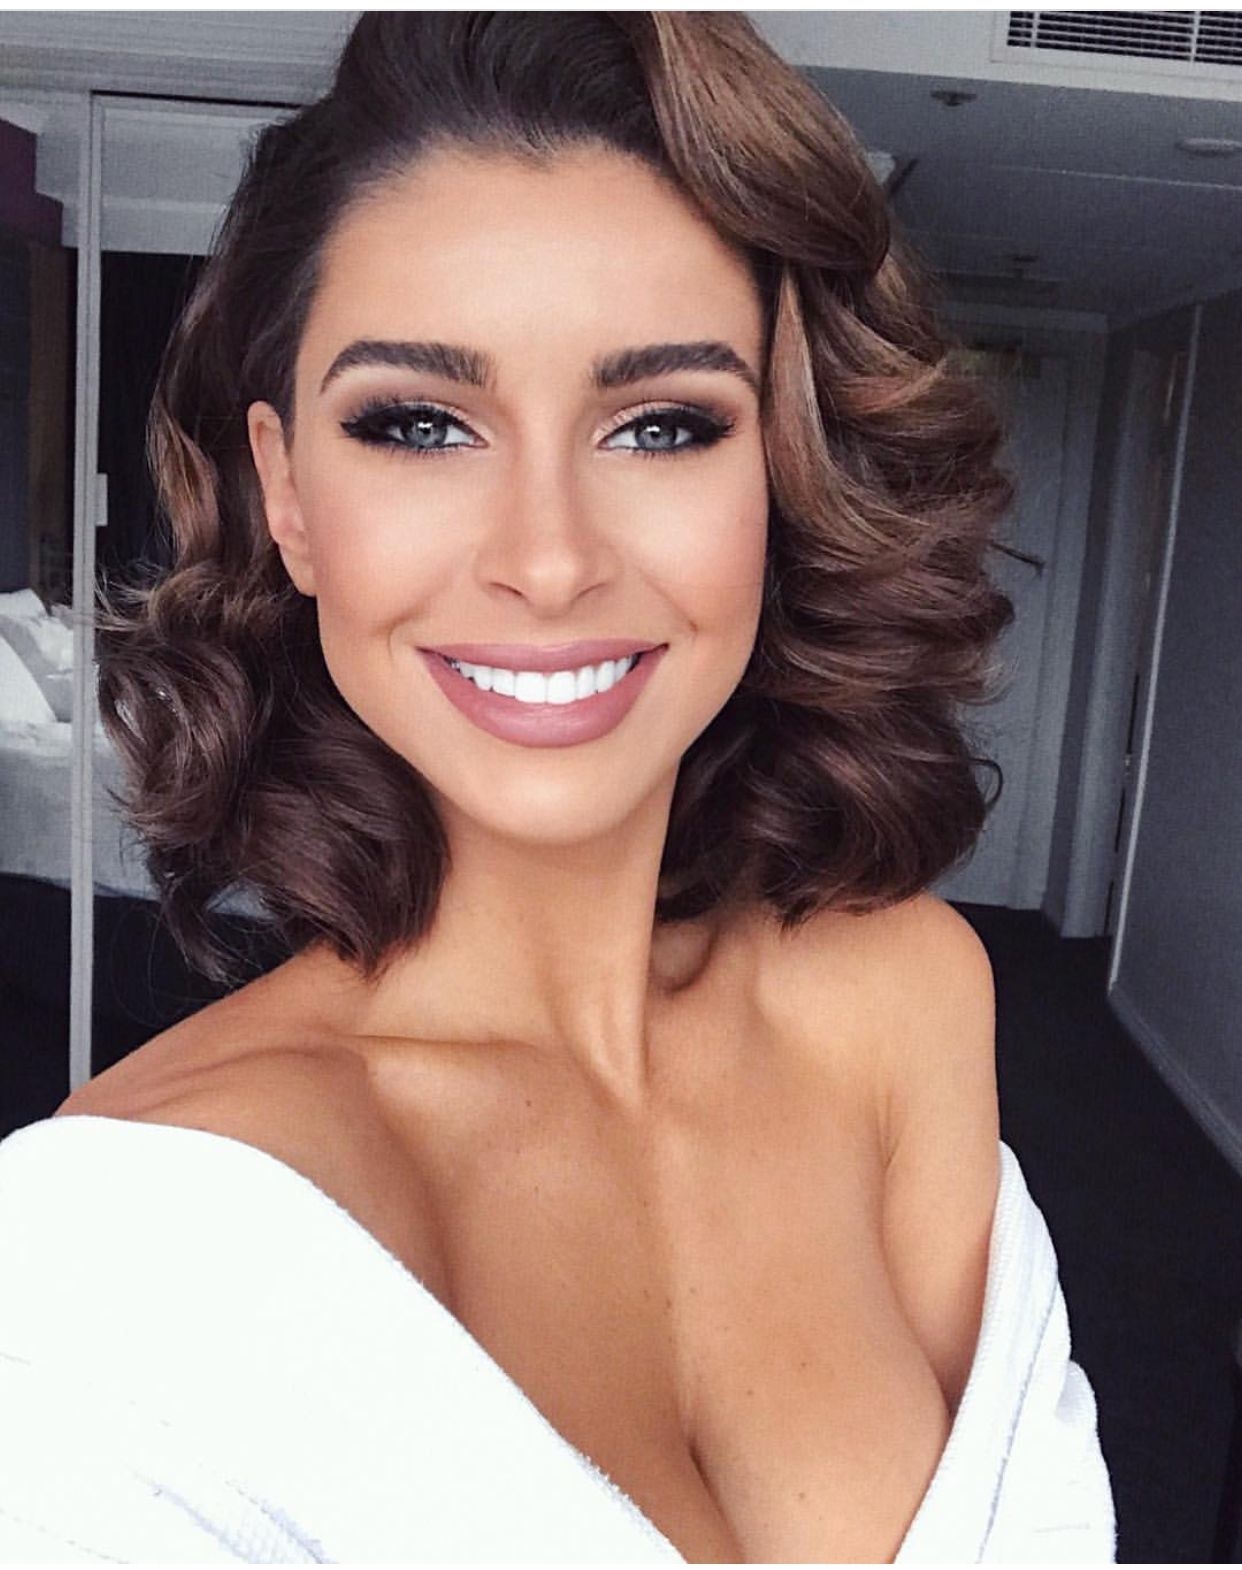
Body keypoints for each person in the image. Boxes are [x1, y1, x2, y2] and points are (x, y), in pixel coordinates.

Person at [0, 12, 1115, 1564]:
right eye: (419, 423)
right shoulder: (109, 1272)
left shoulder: (900, 994)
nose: (547, 556)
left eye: (662, 424)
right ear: (289, 495)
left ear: (780, 476)